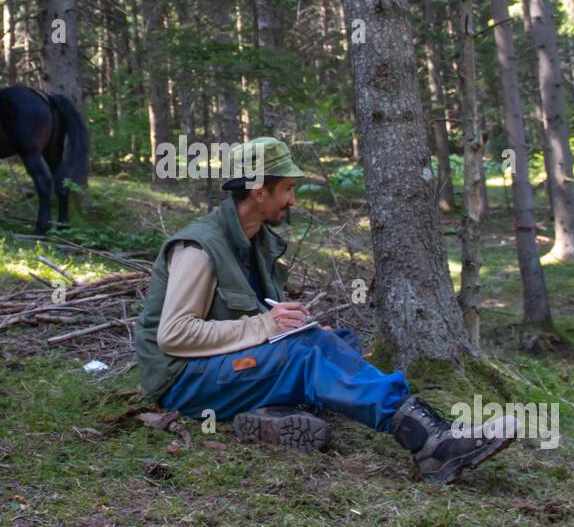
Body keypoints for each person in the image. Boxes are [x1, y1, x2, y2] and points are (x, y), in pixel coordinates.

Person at [134, 137, 514, 485]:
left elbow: (246, 319)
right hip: (186, 383)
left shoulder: (256, 242)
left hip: (221, 367)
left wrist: (293, 326)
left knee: (338, 341)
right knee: (311, 352)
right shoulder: (199, 248)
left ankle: (272, 413)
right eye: (287, 189)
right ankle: (431, 440)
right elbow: (175, 335)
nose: (293, 201)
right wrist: (267, 325)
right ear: (258, 190)